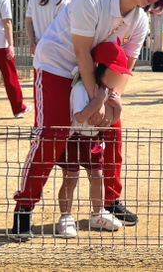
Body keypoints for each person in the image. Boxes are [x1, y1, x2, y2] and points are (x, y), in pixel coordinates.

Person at [11, 0, 163, 239]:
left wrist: (112, 101)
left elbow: (125, 68)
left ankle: (109, 202)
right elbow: (81, 53)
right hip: (57, 66)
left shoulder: (140, 21)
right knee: (52, 134)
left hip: (97, 74)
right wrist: (94, 101)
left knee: (113, 131)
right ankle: (24, 207)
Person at [56, 42, 130, 238]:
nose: (117, 78)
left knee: (97, 176)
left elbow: (105, 123)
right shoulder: (82, 87)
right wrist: (98, 101)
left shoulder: (107, 90)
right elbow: (80, 117)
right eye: (114, 73)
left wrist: (118, 108)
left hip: (94, 140)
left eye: (120, 74)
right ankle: (65, 217)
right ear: (99, 68)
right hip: (75, 139)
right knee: (70, 179)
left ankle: (97, 213)